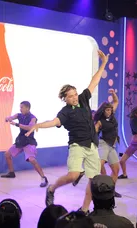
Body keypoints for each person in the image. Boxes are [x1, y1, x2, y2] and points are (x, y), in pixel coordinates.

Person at [26, 50, 109, 214]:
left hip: (92, 144)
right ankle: (52, 188)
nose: (74, 97)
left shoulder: (84, 99)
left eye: (75, 94)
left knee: (93, 181)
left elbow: (94, 81)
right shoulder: (65, 111)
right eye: (70, 96)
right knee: (73, 175)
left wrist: (104, 63)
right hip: (77, 145)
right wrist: (38, 126)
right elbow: (55, 122)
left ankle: (84, 209)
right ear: (65, 98)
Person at [1, 101, 48, 188]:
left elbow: (30, 127)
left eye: (22, 107)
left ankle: (43, 178)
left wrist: (17, 124)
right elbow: (11, 117)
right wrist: (8, 118)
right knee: (7, 154)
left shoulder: (33, 118)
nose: (20, 109)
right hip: (21, 141)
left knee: (32, 160)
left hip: (29, 141)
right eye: (20, 107)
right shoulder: (19, 115)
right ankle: (11, 173)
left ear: (27, 108)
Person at [93, 89, 121, 198]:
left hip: (112, 146)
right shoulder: (100, 121)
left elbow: (116, 102)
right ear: (103, 111)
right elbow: (94, 131)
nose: (109, 112)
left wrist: (113, 93)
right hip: (103, 143)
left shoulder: (112, 115)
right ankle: (99, 186)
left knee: (116, 170)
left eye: (110, 110)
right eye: (107, 110)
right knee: (99, 165)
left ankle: (110, 190)